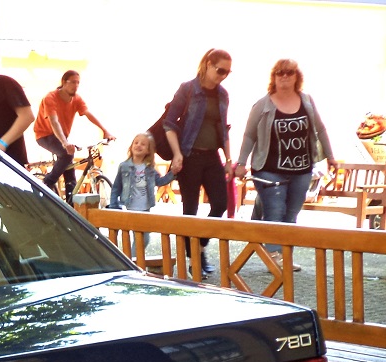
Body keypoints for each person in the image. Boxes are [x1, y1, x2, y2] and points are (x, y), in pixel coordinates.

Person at [234, 59, 338, 271]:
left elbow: (320, 129)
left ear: (296, 77)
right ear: (273, 77)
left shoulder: (306, 101)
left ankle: (283, 255)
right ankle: (274, 257)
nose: (284, 76)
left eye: (289, 73)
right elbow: (249, 135)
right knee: (275, 210)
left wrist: (330, 156)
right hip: (268, 169)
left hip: (301, 169)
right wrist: (241, 163)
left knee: (291, 213)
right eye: (279, 73)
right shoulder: (263, 105)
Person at [163, 48, 235, 275]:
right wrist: (177, 154)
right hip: (189, 155)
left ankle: (199, 247)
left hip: (212, 155)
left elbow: (223, 128)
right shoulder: (188, 89)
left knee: (221, 204)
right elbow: (169, 123)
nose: (223, 76)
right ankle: (193, 257)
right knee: (190, 209)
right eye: (220, 70)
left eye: (228, 72)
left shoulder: (222, 94)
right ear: (207, 64)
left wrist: (228, 159)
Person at [33, 70, 114, 202]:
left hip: (61, 137)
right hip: (44, 135)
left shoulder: (76, 99)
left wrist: (105, 130)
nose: (76, 86)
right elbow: (54, 122)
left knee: (70, 173)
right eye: (73, 82)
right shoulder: (50, 98)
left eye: (78, 83)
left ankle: (71, 203)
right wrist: (65, 143)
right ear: (64, 82)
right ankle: (47, 182)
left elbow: (88, 114)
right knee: (67, 154)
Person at [109, 133, 177, 253]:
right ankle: (128, 258)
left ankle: (132, 258)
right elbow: (116, 187)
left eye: (143, 144)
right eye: (136, 143)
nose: (138, 145)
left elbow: (160, 181)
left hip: (145, 208)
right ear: (131, 147)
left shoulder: (150, 168)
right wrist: (114, 205)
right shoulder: (124, 166)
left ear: (148, 150)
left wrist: (173, 173)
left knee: (144, 238)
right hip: (128, 207)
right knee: (126, 235)